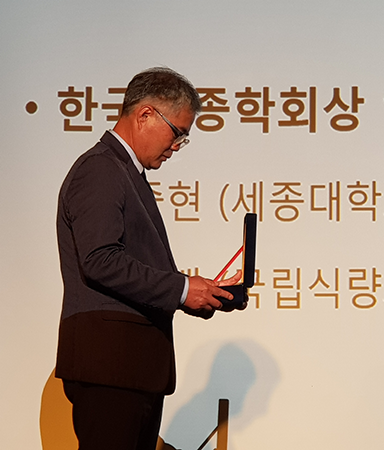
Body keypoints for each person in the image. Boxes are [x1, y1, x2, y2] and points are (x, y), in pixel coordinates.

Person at [55, 67, 243, 450]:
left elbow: (136, 267)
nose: (177, 146)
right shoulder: (101, 168)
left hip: (131, 367)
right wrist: (182, 288)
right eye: (177, 134)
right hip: (111, 366)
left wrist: (200, 294)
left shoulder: (127, 173)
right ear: (144, 115)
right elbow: (100, 259)